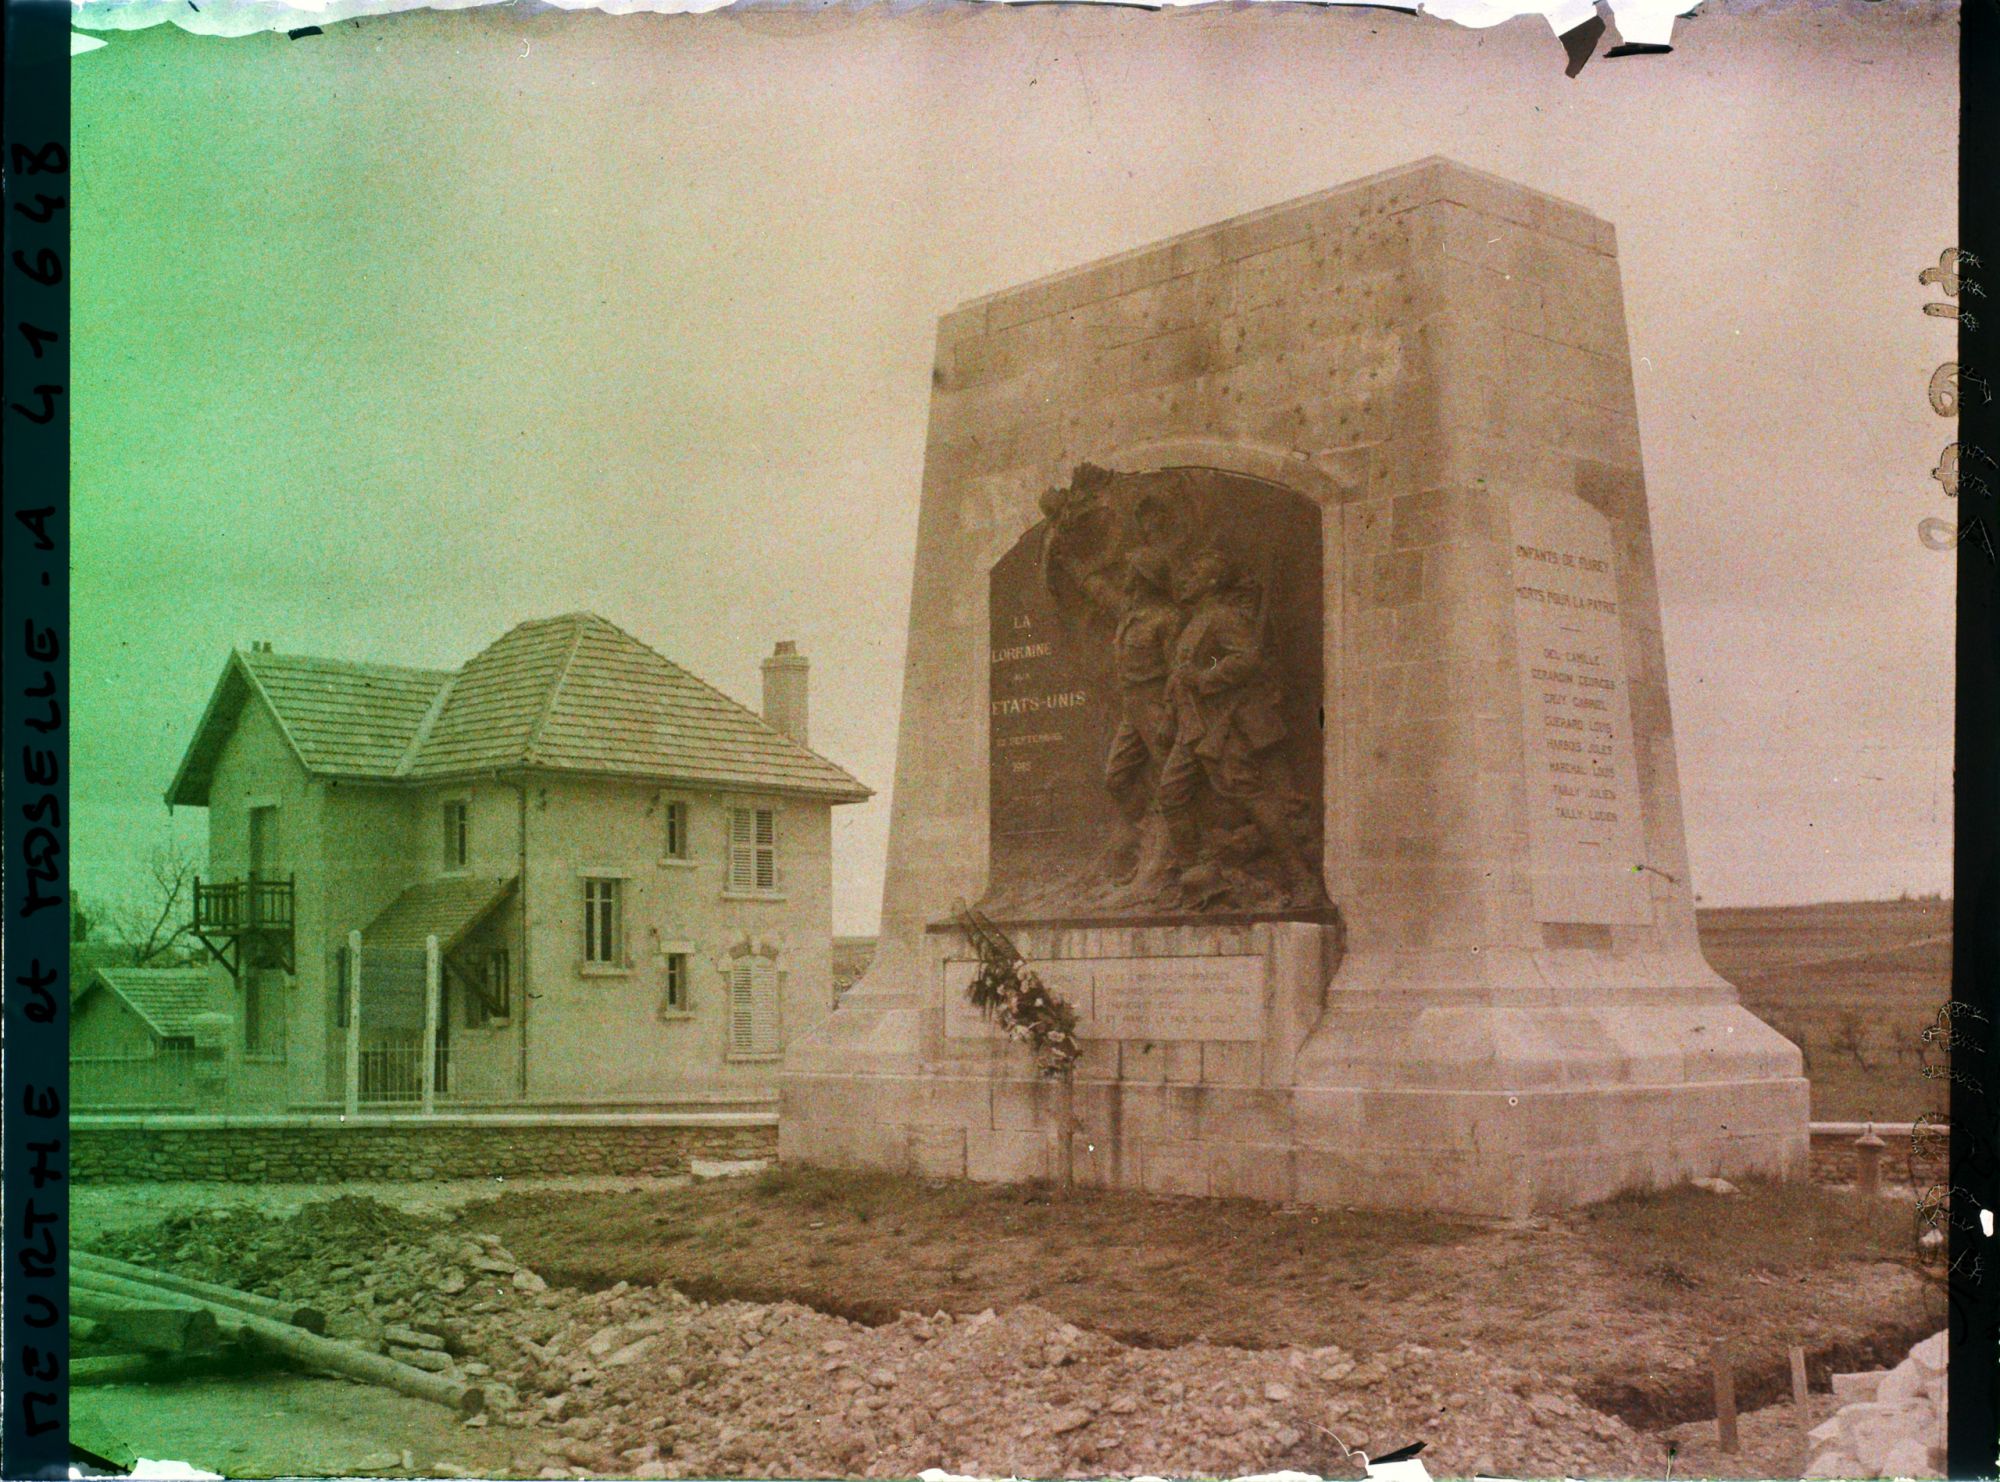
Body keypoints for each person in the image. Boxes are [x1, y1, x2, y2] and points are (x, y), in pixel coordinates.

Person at [1157, 549, 1320, 907]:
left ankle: (1301, 878)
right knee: (1171, 794)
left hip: (1221, 724)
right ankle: (1197, 881)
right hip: (1191, 726)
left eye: (1195, 572)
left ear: (1213, 582)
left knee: (1249, 795)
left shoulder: (1223, 617)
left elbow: (1246, 658)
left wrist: (1204, 679)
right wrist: (1172, 711)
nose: (1186, 578)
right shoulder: (1194, 622)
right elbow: (1181, 673)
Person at [1100, 546, 1183, 882]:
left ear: (1145, 578)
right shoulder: (1131, 613)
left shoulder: (1168, 618)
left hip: (1154, 702)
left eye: (1133, 571)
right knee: (1116, 776)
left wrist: (1168, 714)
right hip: (1132, 705)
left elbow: (1178, 671)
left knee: (1172, 780)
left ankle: (1176, 855)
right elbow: (1103, 594)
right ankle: (1143, 835)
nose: (1127, 577)